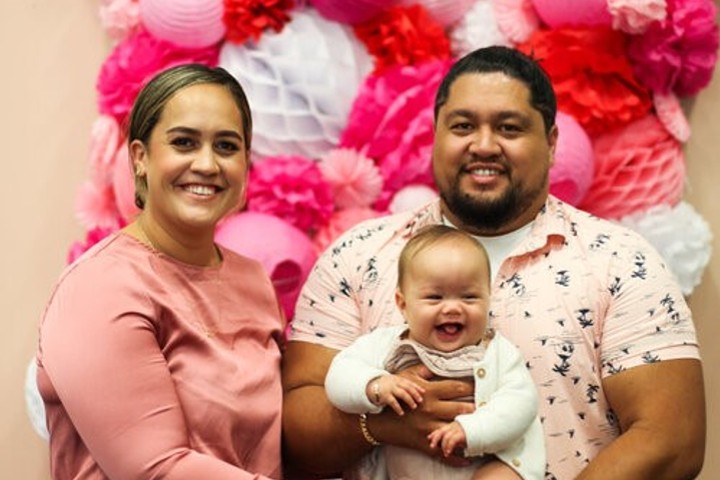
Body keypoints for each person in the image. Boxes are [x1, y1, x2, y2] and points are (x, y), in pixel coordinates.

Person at [282, 46, 705, 480]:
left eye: (509, 127)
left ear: (551, 142)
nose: (483, 146)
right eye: (463, 126)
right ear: (437, 136)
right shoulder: (358, 254)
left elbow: (673, 441)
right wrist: (383, 424)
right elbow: (295, 436)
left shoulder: (619, 261)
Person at [36, 64, 285, 479]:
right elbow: (155, 470)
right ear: (140, 158)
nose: (207, 164)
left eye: (226, 146)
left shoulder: (253, 279)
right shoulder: (99, 288)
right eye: (184, 142)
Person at [324, 225, 545, 480]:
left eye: (470, 297)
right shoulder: (385, 344)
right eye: (434, 297)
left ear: (488, 299)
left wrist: (473, 429)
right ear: (403, 304)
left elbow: (521, 403)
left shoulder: (496, 353)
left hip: (480, 467)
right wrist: (374, 385)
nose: (452, 307)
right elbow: (339, 374)